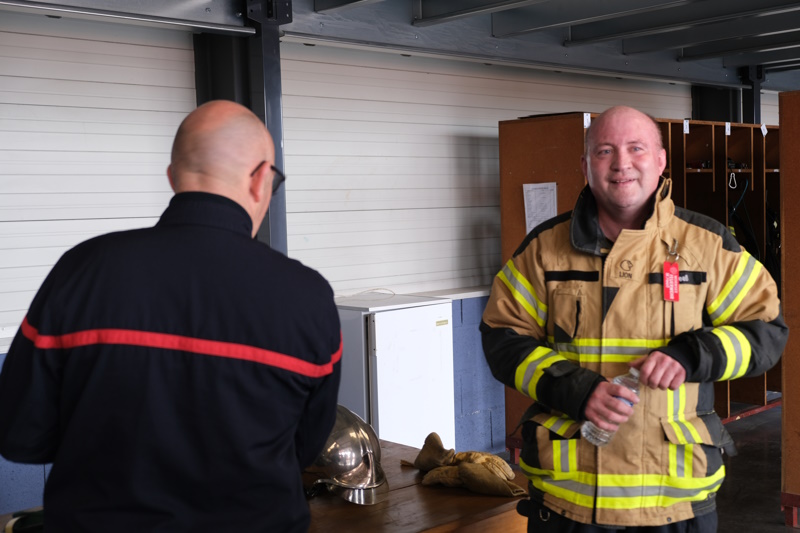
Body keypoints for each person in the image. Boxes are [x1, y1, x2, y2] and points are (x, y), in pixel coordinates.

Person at [0, 100, 342, 532]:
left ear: (173, 177)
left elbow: (21, 436)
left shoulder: (82, 269)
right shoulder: (307, 296)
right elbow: (302, 448)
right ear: (260, 180)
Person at [481, 105, 788, 532]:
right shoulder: (543, 250)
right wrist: (576, 390)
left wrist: (692, 355)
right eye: (605, 151)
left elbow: (766, 331)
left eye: (636, 148)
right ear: (586, 166)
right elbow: (502, 337)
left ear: (660, 161)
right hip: (569, 501)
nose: (622, 163)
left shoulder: (709, 246)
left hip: (675, 503)